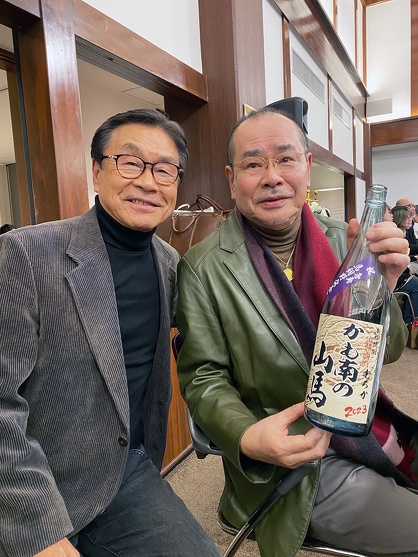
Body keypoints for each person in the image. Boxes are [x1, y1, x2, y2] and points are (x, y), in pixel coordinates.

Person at [176, 106, 418, 557]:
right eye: (253, 164)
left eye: (285, 159)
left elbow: (387, 353)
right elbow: (203, 378)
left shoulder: (347, 240)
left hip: (362, 424)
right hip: (293, 460)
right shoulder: (203, 267)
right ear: (232, 179)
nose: (272, 177)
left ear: (306, 167)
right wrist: (249, 437)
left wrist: (385, 287)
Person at [0, 108, 220, 557]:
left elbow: (218, 341)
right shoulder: (26, 253)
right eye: (131, 162)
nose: (149, 181)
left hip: (125, 474)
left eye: (165, 169)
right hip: (36, 480)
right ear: (97, 171)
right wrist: (39, 528)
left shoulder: (170, 264)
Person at [391, 204, 418, 322]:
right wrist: (408, 270)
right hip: (395, 276)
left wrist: (414, 259)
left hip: (401, 272)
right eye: (406, 217)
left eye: (410, 216)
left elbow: (408, 251)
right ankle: (409, 322)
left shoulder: (405, 233)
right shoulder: (395, 236)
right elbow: (394, 261)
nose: (410, 219)